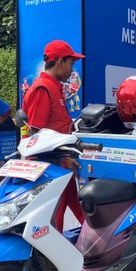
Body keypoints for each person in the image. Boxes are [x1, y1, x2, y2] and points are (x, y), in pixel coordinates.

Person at [21, 40, 85, 231]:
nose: (72, 70)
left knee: (77, 207)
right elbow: (37, 135)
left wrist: (67, 156)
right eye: (71, 64)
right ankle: (50, 259)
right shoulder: (43, 88)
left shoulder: (53, 86)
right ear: (59, 62)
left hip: (60, 161)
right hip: (50, 165)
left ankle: (93, 247)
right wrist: (63, 157)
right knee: (53, 217)